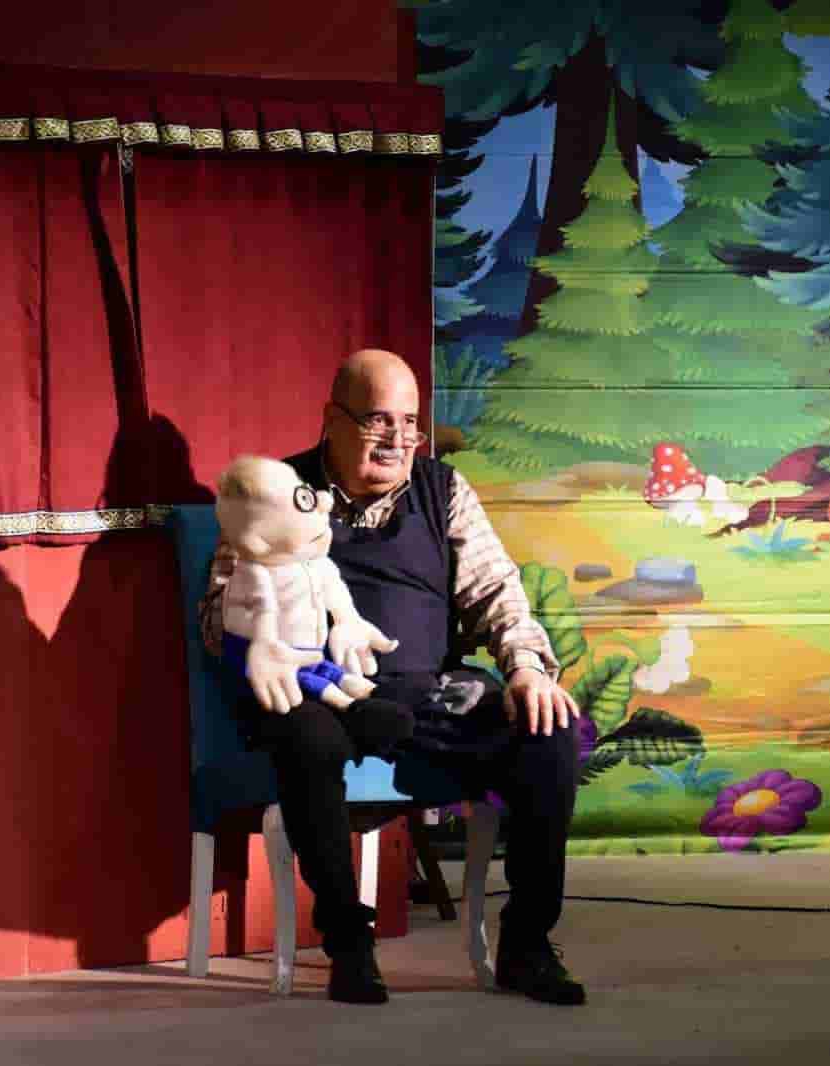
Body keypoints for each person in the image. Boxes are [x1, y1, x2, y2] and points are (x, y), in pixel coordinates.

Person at [201, 348, 585, 1006]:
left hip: (428, 693)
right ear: (332, 420)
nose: (399, 439)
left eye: (410, 423)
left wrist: (525, 667)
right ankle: (348, 942)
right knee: (306, 737)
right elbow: (221, 617)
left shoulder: (443, 491)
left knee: (548, 731)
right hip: (318, 690)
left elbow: (497, 592)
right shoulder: (274, 490)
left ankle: (527, 943)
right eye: (379, 420)